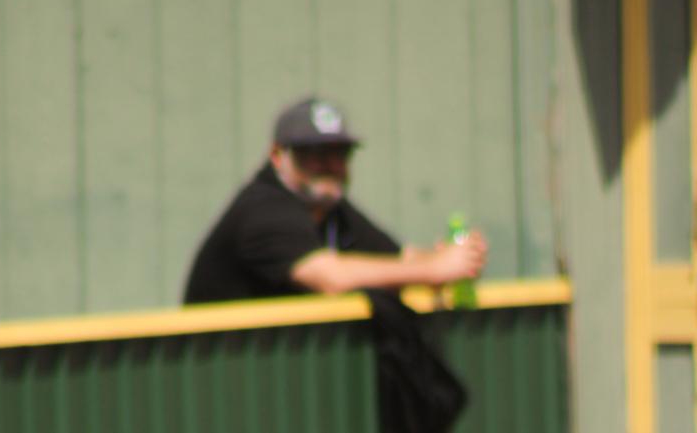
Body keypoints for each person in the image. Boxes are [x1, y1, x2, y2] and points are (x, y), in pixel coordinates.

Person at [183, 96, 487, 305]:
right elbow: (331, 277)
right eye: (313, 154)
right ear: (277, 156)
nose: (330, 165)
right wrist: (435, 270)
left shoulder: (327, 206)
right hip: (215, 374)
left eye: (339, 153)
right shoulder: (263, 209)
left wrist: (453, 258)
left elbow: (395, 259)